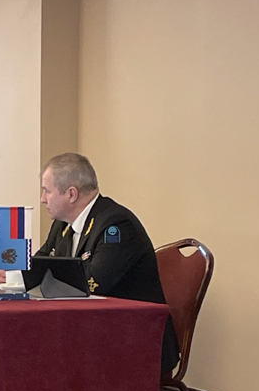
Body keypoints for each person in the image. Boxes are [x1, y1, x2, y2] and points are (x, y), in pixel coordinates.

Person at [35, 152, 179, 374]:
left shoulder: (116, 225)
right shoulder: (62, 225)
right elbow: (39, 264)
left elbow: (93, 284)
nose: (43, 199)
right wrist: (14, 273)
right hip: (92, 331)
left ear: (71, 194)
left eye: (47, 191)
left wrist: (43, 278)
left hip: (134, 339)